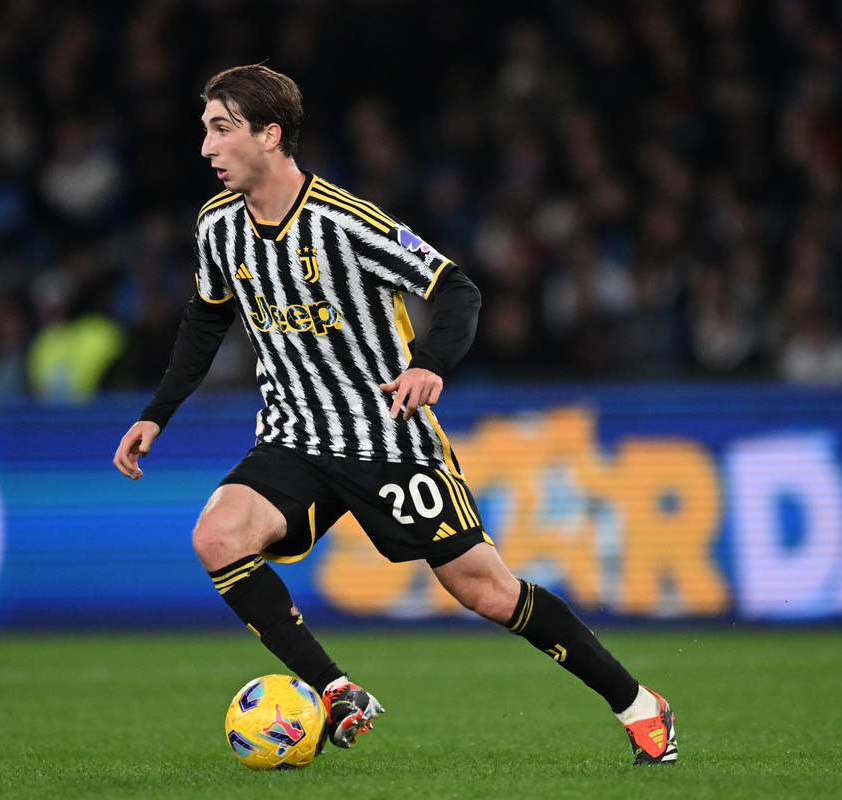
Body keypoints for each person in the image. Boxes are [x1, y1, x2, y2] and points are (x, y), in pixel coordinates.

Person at [113, 64, 677, 765]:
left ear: (270, 135)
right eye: (205, 131)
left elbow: (458, 290)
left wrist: (430, 364)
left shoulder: (347, 223)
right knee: (217, 536)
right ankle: (335, 690)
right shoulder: (216, 227)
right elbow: (205, 323)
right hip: (296, 436)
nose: (206, 148)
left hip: (389, 440)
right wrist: (156, 413)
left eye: (221, 129)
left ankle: (638, 704)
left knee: (488, 593)